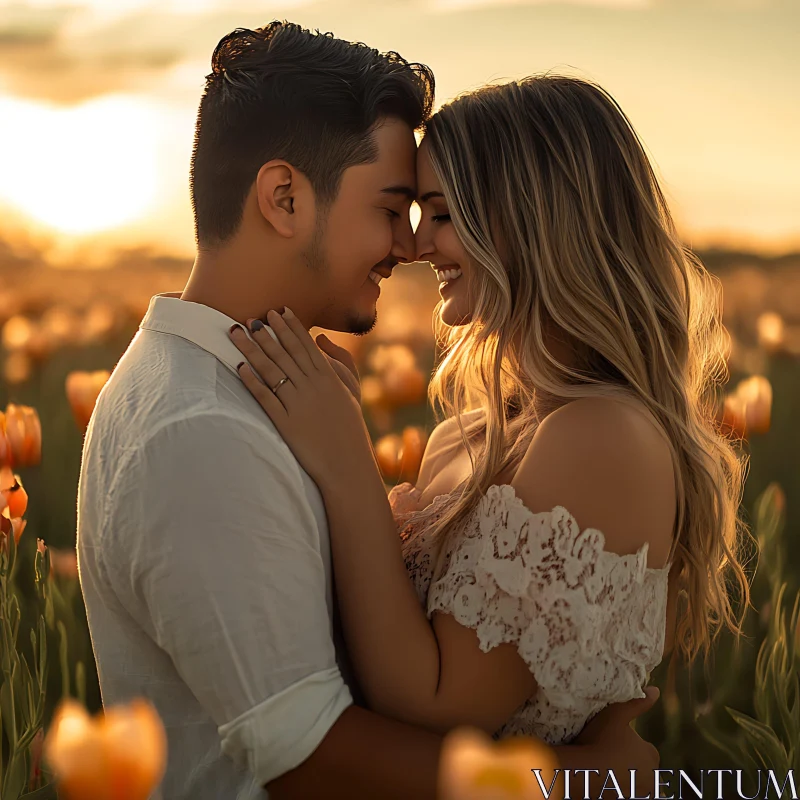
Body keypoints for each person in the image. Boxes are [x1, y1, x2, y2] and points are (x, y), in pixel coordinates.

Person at [77, 24, 660, 800]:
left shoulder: (264, 396)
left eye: (434, 213)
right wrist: (580, 782)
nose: (409, 246)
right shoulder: (201, 431)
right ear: (284, 198)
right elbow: (307, 753)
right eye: (395, 208)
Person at [230, 73, 751, 780]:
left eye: (442, 214)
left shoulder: (603, 438)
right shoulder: (466, 437)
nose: (415, 247)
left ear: (533, 220)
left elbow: (434, 704)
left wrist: (346, 459)